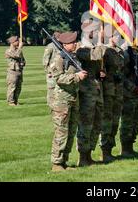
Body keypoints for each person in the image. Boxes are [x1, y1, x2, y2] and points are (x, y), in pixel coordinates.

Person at [49, 32, 88, 172]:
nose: (75, 43)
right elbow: (58, 78)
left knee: (71, 132)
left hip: (73, 98)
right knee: (61, 132)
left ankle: (64, 162)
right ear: (65, 44)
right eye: (73, 42)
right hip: (61, 101)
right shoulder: (58, 58)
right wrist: (76, 77)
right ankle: (56, 163)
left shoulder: (73, 57)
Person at [76, 20, 106, 167]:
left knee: (97, 123)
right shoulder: (82, 49)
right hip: (87, 93)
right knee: (86, 124)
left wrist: (101, 71)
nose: (95, 33)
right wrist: (101, 38)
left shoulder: (92, 47)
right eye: (93, 30)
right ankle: (82, 156)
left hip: (97, 90)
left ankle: (89, 154)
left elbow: (98, 59)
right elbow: (96, 55)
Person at [100, 30, 125, 163]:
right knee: (107, 121)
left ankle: (110, 148)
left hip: (118, 90)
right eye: (116, 36)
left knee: (115, 121)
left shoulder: (120, 52)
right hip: (108, 90)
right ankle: (104, 150)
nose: (118, 38)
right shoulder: (105, 51)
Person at [120, 38, 138, 158]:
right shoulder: (126, 54)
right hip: (128, 94)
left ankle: (130, 147)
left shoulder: (137, 54)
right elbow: (120, 75)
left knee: (136, 122)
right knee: (127, 122)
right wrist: (133, 88)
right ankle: (125, 149)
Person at [5, 36, 26, 106]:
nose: (18, 42)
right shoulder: (8, 51)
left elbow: (22, 59)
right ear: (12, 42)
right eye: (17, 41)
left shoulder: (19, 50)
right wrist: (20, 48)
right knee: (12, 87)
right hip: (12, 71)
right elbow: (16, 55)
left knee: (18, 87)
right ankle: (10, 101)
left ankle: (16, 100)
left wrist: (23, 62)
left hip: (19, 70)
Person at [43, 31, 61, 107]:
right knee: (51, 88)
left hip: (59, 70)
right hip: (51, 71)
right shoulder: (50, 46)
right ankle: (50, 103)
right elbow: (45, 60)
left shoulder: (61, 45)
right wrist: (48, 71)